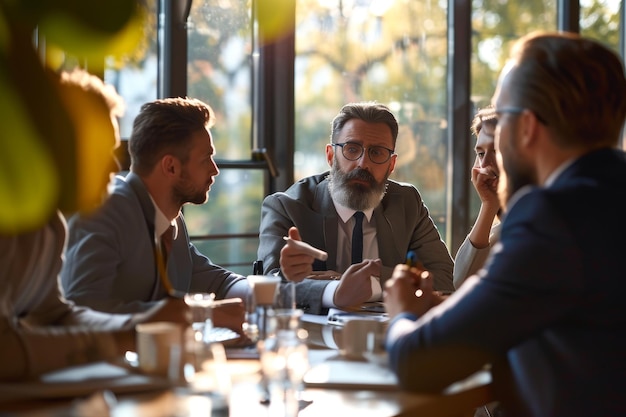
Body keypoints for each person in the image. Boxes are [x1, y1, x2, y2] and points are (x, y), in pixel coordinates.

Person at [383, 31, 626, 417]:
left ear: (527, 126)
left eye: (503, 114)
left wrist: (402, 313)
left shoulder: (551, 215)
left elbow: (419, 364)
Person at [0, 69, 189, 381]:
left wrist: (138, 326)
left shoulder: (50, 225)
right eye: (100, 150)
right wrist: (117, 340)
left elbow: (55, 315)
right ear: (53, 145)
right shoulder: (7, 224)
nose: (115, 166)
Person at [61, 97, 248, 331]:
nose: (215, 169)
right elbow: (84, 308)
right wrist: (201, 314)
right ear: (170, 167)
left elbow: (215, 281)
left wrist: (263, 293)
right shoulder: (105, 212)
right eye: (205, 159)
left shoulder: (171, 222)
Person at [258, 102, 454, 314]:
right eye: (352, 149)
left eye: (377, 152)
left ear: (391, 164)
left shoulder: (407, 203)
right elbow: (269, 286)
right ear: (331, 155)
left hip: (388, 335)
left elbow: (444, 279)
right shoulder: (287, 207)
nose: (363, 163)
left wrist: (363, 282)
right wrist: (337, 290)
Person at [453, 106, 501, 289]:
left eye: (496, 150)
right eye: (480, 154)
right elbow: (461, 283)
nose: (485, 163)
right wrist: (489, 205)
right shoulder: (498, 229)